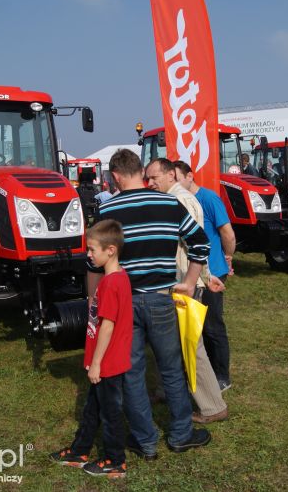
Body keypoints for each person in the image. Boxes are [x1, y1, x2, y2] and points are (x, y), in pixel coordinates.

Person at [88, 149, 211, 459]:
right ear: (140, 172)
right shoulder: (170, 204)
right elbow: (200, 243)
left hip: (123, 303)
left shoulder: (107, 210)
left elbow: (93, 264)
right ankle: (181, 434)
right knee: (171, 369)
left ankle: (145, 442)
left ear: (115, 176)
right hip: (161, 299)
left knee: (131, 372)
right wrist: (188, 281)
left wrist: (94, 301)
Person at [144, 158, 228, 424]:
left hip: (183, 285)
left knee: (190, 345)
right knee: (166, 340)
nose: (150, 183)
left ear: (171, 175)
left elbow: (198, 244)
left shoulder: (180, 201)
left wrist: (202, 278)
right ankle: (164, 390)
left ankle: (213, 406)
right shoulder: (172, 199)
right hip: (177, 283)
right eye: (148, 178)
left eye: (155, 177)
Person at [50, 220, 132, 478]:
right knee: (92, 408)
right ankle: (80, 450)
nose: (88, 254)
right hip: (103, 360)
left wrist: (97, 363)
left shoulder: (110, 284)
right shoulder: (119, 277)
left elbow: (107, 326)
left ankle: (115, 460)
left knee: (110, 413)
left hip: (108, 362)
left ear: (110, 250)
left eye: (92, 250)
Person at [173, 160, 236, 392]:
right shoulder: (176, 201)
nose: (175, 182)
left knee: (212, 325)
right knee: (193, 327)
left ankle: (222, 376)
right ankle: (201, 372)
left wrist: (228, 257)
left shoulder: (208, 199)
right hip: (190, 273)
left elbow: (227, 233)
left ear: (190, 176)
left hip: (212, 272)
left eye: (177, 177)